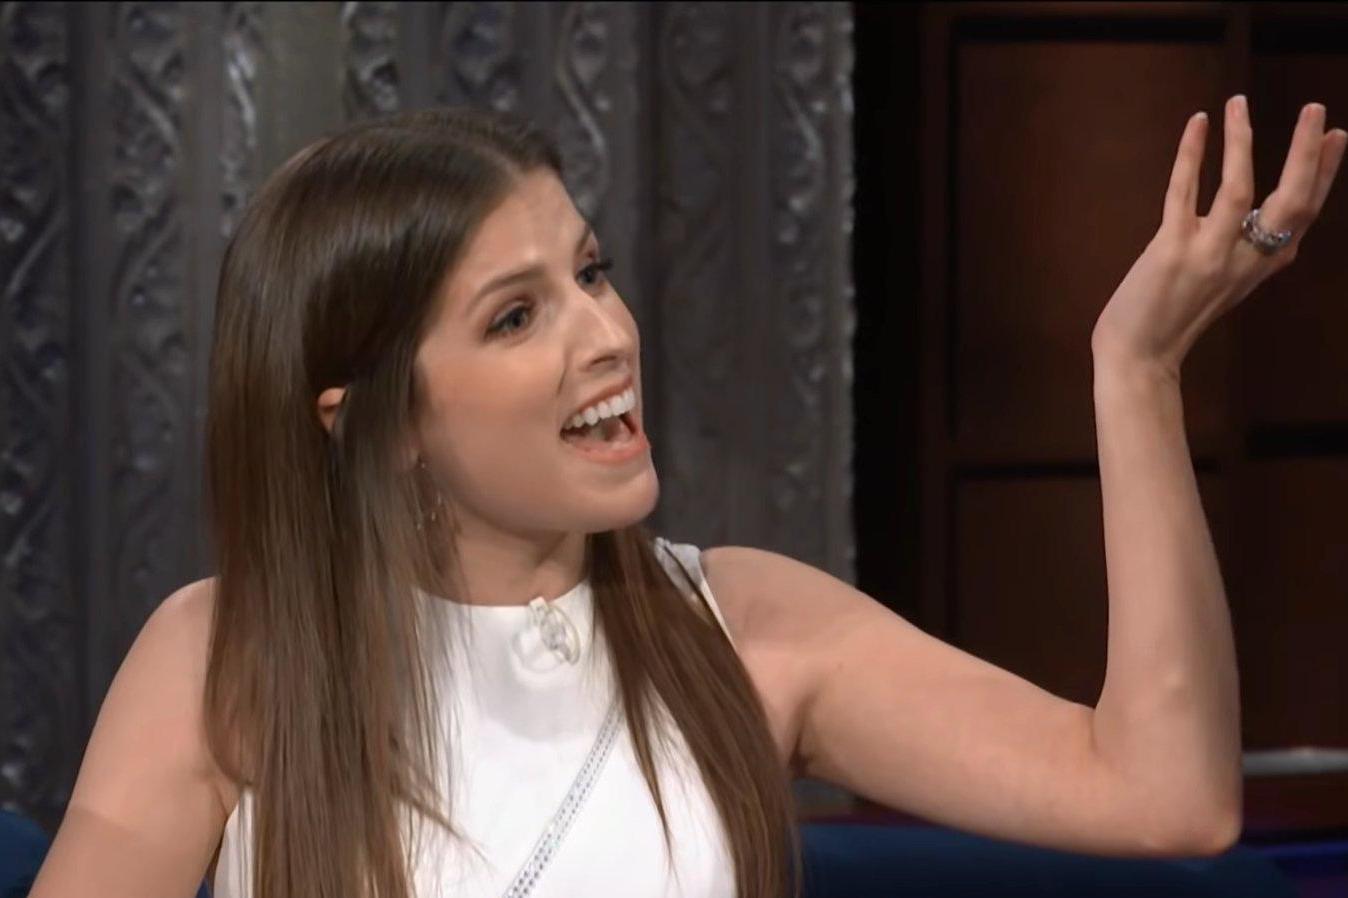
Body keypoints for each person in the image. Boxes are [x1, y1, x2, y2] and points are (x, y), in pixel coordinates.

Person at [29, 99, 1346, 898]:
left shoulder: (747, 628)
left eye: (590, 272)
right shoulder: (226, 655)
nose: (606, 335)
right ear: (376, 424)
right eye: (516, 316)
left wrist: (1138, 372)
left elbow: (1167, 795)